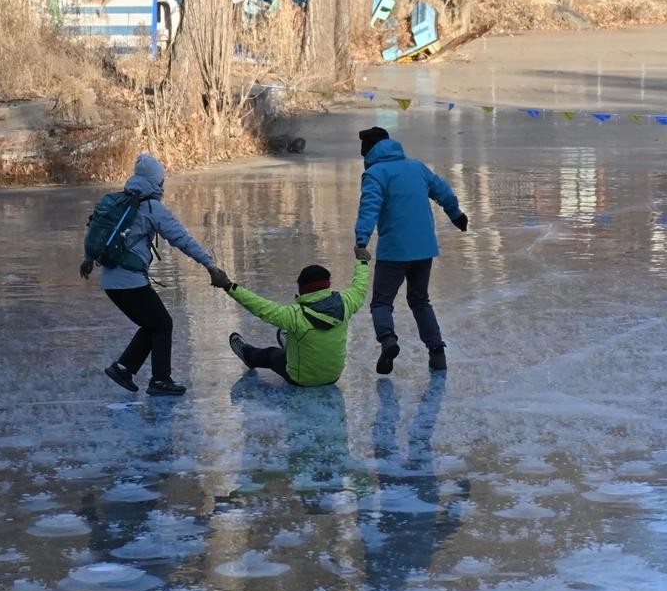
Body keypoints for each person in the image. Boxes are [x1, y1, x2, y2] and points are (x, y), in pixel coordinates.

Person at [80, 152, 217, 397]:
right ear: (157, 181)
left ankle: (124, 369)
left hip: (111, 282)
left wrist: (88, 260)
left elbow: (96, 231)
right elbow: (182, 239)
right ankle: (160, 380)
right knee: (163, 324)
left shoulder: (119, 202)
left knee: (153, 324)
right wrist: (210, 266)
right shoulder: (152, 208)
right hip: (130, 281)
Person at [354, 126, 468, 375]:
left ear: (368, 151)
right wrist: (456, 216)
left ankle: (388, 340)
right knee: (420, 300)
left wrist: (361, 240)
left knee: (381, 302)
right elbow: (443, 191)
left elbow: (369, 208)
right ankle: (437, 353)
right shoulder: (416, 167)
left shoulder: (375, 174)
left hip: (393, 250)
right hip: (423, 248)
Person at [207, 260, 370, 387]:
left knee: (271, 354)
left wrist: (228, 286)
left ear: (302, 289)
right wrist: (362, 261)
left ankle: (248, 355)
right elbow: (360, 286)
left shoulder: (295, 315)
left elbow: (260, 307)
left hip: (302, 378)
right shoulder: (346, 302)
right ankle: (293, 343)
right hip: (333, 376)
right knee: (297, 335)